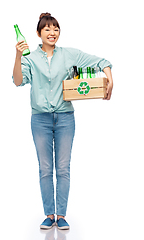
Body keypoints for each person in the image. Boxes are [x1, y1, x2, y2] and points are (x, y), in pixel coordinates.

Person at [12, 12, 113, 230]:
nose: (52, 32)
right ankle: (49, 214)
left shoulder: (69, 55)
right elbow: (18, 81)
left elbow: (101, 62)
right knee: (46, 168)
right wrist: (18, 56)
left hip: (66, 118)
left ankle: (62, 215)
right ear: (38, 33)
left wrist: (109, 77)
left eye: (56, 29)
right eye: (47, 29)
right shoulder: (30, 58)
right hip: (40, 119)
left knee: (63, 168)